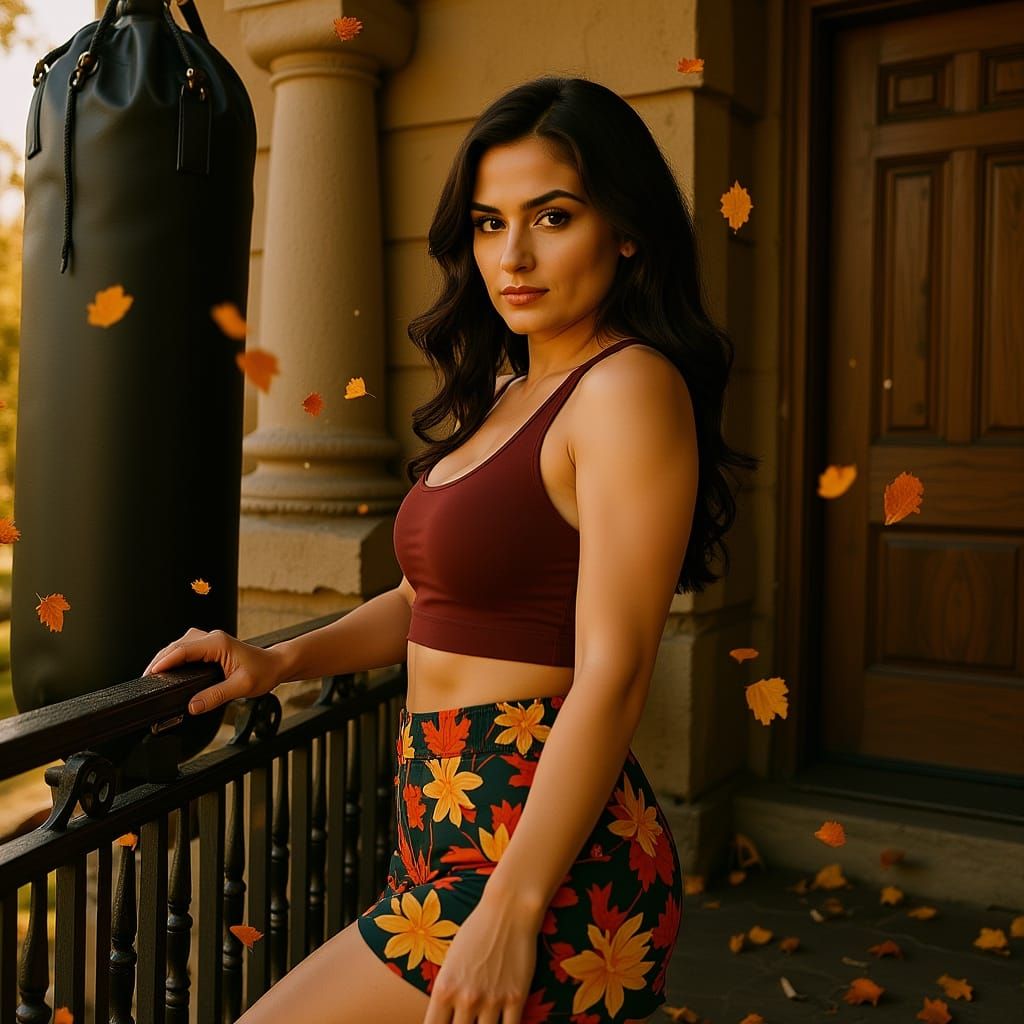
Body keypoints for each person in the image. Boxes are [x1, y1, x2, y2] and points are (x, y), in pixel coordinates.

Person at [143, 74, 758, 1024]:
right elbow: (427, 597)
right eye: (487, 222)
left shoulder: (628, 388)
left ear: (626, 230)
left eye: (552, 217)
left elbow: (615, 669)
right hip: (443, 825)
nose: (512, 254)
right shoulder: (511, 385)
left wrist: (513, 904)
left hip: (539, 846)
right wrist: (281, 661)